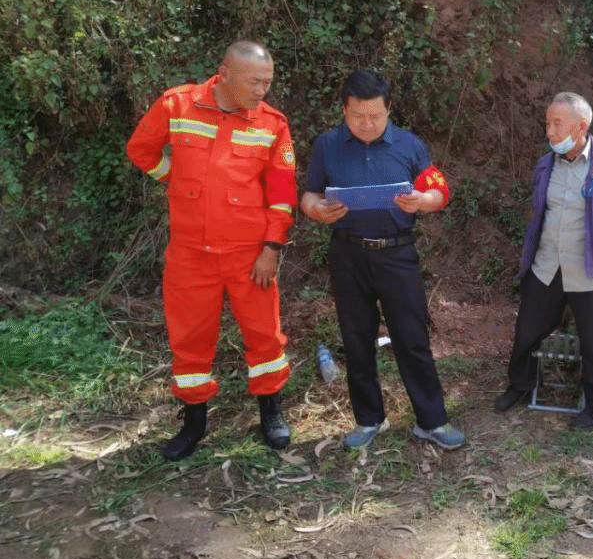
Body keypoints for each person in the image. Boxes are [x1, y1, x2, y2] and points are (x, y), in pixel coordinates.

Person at [126, 41, 296, 461]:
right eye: (254, 81)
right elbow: (141, 150)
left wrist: (271, 247)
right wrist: (173, 178)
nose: (262, 91)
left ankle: (271, 412)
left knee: (264, 335)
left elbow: (281, 194)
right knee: (190, 339)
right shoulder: (177, 106)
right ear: (224, 73)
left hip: (249, 254)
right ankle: (194, 422)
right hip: (190, 253)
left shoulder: (272, 124)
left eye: (268, 82)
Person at [300, 70, 466, 451]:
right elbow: (309, 194)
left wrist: (422, 201)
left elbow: (439, 189)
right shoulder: (327, 145)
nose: (367, 123)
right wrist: (316, 209)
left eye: (375, 115)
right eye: (358, 116)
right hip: (347, 253)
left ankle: (432, 421)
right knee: (356, 339)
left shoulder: (408, 144)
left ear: (389, 109)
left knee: (412, 338)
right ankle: (369, 419)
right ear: (344, 110)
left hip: (396, 253)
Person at [494, 92, 593, 429]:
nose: (549, 131)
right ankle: (520, 385)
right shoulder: (545, 164)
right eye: (547, 123)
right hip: (547, 266)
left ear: (581, 127)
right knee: (527, 332)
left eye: (557, 124)